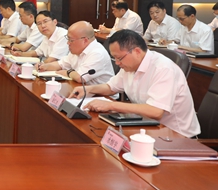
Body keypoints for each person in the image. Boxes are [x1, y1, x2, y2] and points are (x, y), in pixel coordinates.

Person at [70, 30, 200, 138]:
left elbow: (156, 111)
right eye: (114, 58)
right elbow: (111, 87)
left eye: (119, 58)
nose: (117, 63)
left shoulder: (163, 68)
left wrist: (111, 105)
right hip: (146, 126)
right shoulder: (130, 65)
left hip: (176, 136)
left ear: (137, 51)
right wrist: (88, 89)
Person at [37, 21, 114, 84]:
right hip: (83, 89)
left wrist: (68, 72)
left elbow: (80, 77)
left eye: (71, 40)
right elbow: (61, 64)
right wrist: (45, 66)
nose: (68, 43)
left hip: (101, 95)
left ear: (85, 40)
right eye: (68, 39)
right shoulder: (77, 50)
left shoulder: (97, 53)